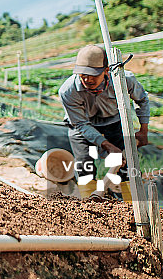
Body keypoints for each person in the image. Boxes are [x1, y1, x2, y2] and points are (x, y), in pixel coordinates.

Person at [58, 44, 150, 201]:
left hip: (113, 122)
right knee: (84, 165)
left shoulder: (124, 80)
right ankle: (89, 204)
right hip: (81, 125)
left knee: (127, 165)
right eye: (83, 74)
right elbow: (81, 124)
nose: (87, 79)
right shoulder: (68, 91)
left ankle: (132, 205)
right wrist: (107, 145)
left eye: (93, 75)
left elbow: (142, 100)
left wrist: (143, 130)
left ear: (106, 70)